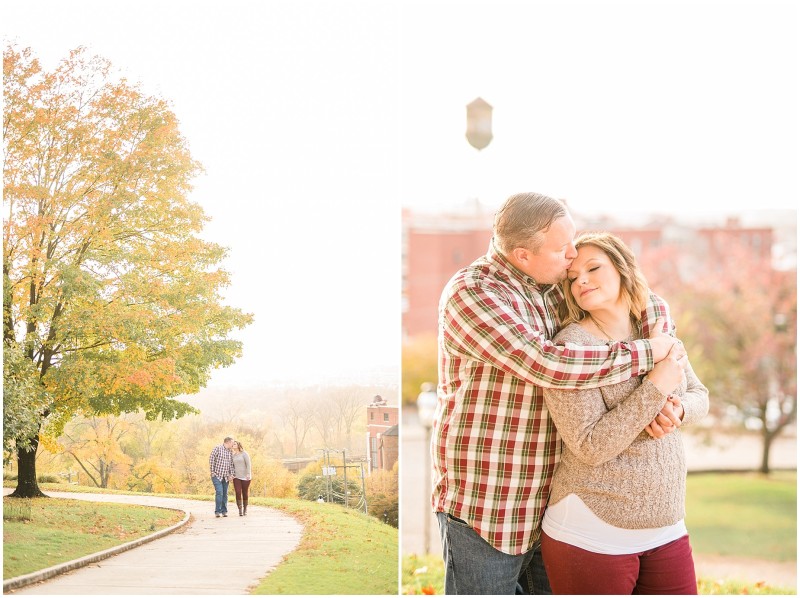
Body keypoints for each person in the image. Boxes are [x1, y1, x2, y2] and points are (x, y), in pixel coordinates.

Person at [432, 192, 684, 595]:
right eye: (562, 249)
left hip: (554, 504)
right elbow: (548, 364)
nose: (573, 256)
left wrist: (659, 332)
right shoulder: (474, 293)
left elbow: (635, 296)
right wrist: (649, 355)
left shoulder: (552, 287)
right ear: (522, 254)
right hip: (492, 504)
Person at [539, 231, 709, 594]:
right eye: (572, 279)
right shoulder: (572, 347)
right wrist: (655, 390)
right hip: (591, 532)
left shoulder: (655, 329)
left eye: (593, 268)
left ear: (623, 269)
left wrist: (677, 410)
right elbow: (590, 445)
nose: (581, 280)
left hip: (667, 527)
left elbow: (700, 394)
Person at [209, 436, 235, 518]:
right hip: (217, 475)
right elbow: (211, 459)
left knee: (225, 494)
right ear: (228, 442)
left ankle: (224, 511)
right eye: (232, 443)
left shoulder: (230, 452)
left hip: (226, 476)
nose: (233, 444)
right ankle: (217, 511)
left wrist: (231, 475)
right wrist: (212, 472)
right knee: (219, 492)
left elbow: (231, 464)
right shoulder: (218, 448)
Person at [231, 440, 252, 516]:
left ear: (238, 445)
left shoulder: (244, 453)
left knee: (245, 492)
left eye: (235, 444)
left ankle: (245, 508)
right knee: (238, 492)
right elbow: (231, 466)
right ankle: (240, 509)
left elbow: (248, 464)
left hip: (245, 476)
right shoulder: (232, 455)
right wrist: (231, 474)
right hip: (236, 476)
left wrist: (248, 473)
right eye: (233, 444)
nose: (233, 445)